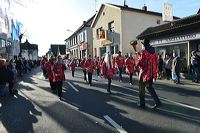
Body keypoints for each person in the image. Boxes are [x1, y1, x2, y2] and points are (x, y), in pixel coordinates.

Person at [131, 38, 161, 109]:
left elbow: (141, 62)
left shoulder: (143, 51)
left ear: (144, 44)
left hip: (144, 72)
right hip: (151, 72)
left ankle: (142, 104)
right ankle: (157, 102)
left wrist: (137, 62)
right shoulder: (153, 51)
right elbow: (154, 62)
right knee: (149, 87)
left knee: (141, 88)